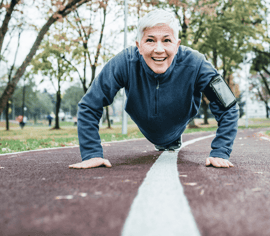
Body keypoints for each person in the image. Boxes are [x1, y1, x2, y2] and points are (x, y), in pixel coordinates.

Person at [69, 10, 239, 169]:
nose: (159, 49)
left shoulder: (197, 63)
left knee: (170, 141)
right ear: (139, 45)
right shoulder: (124, 62)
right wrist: (91, 153)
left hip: (178, 120)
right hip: (144, 118)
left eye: (167, 40)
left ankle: (172, 140)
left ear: (177, 45)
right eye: (150, 40)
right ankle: (167, 140)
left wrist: (220, 151)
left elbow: (228, 106)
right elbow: (89, 104)